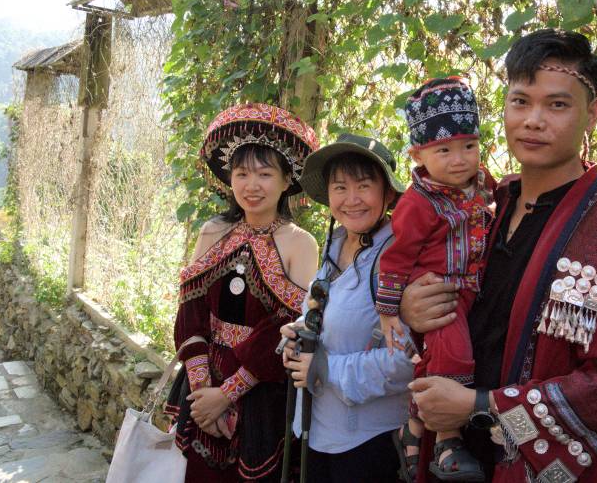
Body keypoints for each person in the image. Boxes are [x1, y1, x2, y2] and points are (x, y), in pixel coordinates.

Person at [399, 29, 597, 482]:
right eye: (520, 102)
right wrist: (410, 307)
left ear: (592, 113)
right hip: (446, 453)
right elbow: (419, 282)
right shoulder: (477, 208)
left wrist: (482, 406)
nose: (533, 120)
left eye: (557, 105)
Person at [165, 103, 320, 482]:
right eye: (242, 173)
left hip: (261, 389)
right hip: (202, 382)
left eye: (265, 174)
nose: (252, 186)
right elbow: (191, 311)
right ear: (229, 179)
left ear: (287, 180)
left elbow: (290, 326)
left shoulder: (301, 244)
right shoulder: (212, 232)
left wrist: (227, 395)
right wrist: (203, 392)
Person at [374, 77, 494, 482]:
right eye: (444, 149)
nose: (459, 158)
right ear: (420, 154)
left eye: (469, 146)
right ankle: (447, 440)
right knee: (452, 356)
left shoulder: (483, 187)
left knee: (443, 359)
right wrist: (389, 311)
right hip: (440, 294)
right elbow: (396, 258)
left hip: (472, 289)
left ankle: (410, 432)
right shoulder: (419, 202)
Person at [280, 133, 414, 483]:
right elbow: (328, 316)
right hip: (316, 431)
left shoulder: (397, 262)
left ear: (387, 193)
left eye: (364, 186)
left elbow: (407, 363)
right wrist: (298, 333)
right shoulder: (335, 245)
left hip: (366, 445)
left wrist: (326, 368)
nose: (351, 199)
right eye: (339, 187)